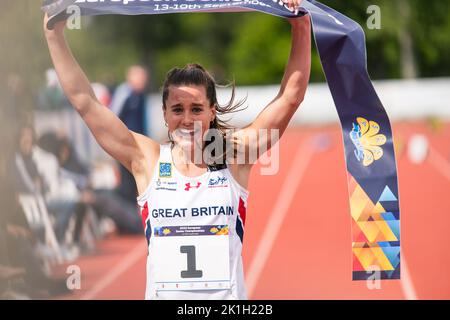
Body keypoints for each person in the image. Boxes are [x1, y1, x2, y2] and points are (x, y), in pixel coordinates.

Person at [43, 1, 311, 299]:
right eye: (177, 109)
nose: (186, 119)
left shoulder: (233, 155)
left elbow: (290, 98)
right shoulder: (148, 159)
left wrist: (300, 26)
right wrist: (55, 35)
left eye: (196, 109)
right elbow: (85, 102)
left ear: (212, 112)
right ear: (164, 114)